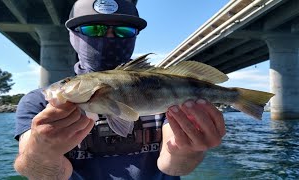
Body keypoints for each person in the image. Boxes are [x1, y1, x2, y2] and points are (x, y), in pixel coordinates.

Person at [13, 0, 226, 179]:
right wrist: (40, 153)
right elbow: (43, 171)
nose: (109, 38)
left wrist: (190, 149)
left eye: (123, 30)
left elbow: (173, 166)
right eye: (93, 29)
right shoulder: (38, 103)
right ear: (72, 34)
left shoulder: (164, 93)